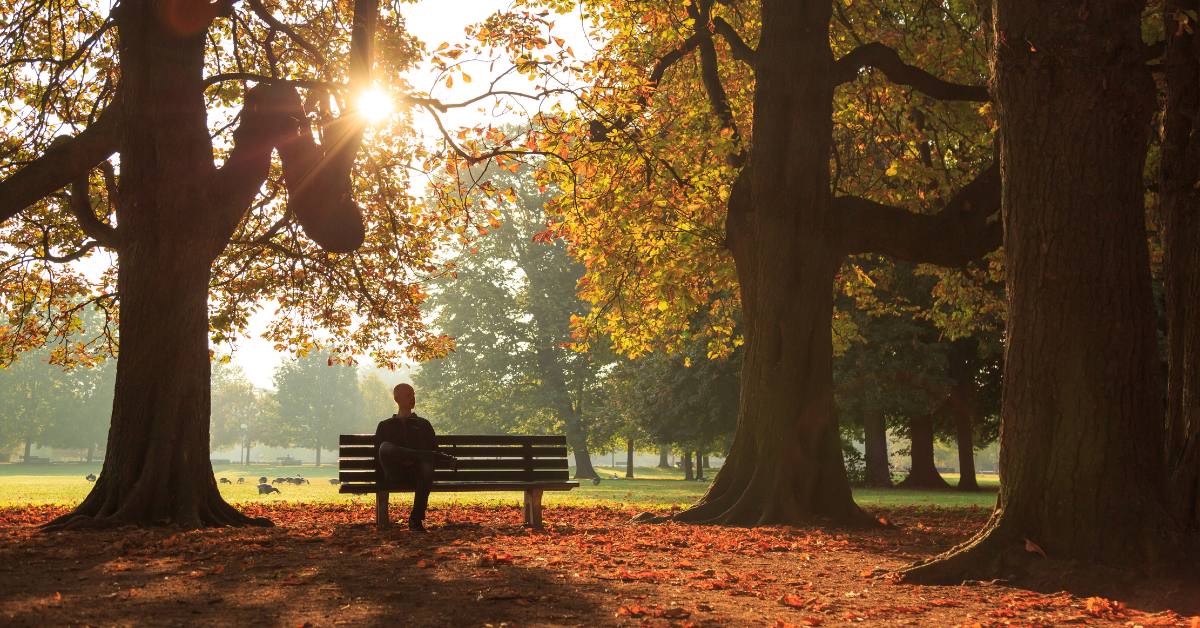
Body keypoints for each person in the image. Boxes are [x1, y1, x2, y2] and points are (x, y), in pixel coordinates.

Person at [374, 383, 455, 532]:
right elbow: (380, 454)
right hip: (394, 473)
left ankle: (416, 519)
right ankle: (421, 455)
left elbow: (433, 451)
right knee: (386, 446)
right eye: (409, 395)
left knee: (427, 465)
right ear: (397, 398)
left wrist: (422, 457)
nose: (413, 398)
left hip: (417, 474)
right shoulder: (385, 425)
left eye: (413, 395)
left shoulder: (423, 424)